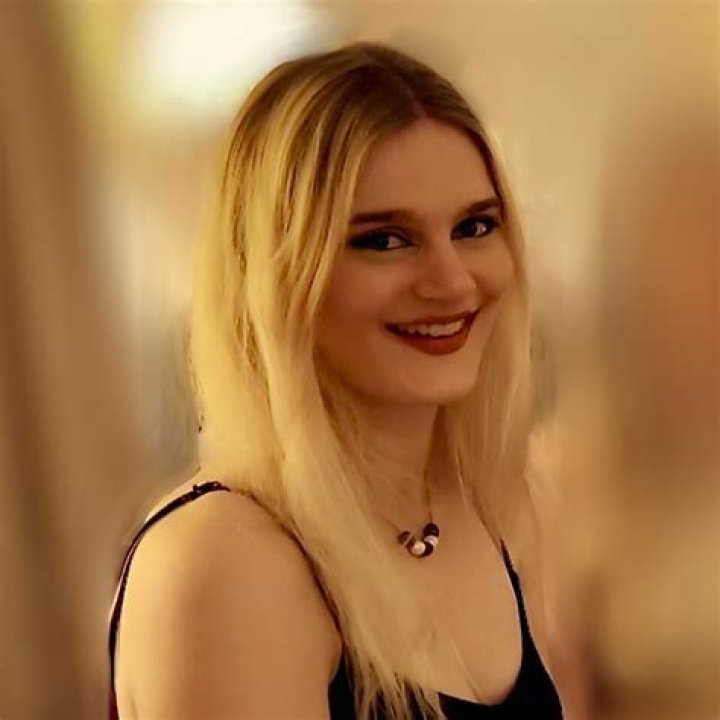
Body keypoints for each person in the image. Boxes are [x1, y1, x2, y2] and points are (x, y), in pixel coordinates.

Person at [108, 40, 568, 720]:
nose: (451, 281)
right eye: (383, 240)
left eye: (474, 227)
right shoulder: (225, 565)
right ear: (276, 273)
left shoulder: (485, 506)